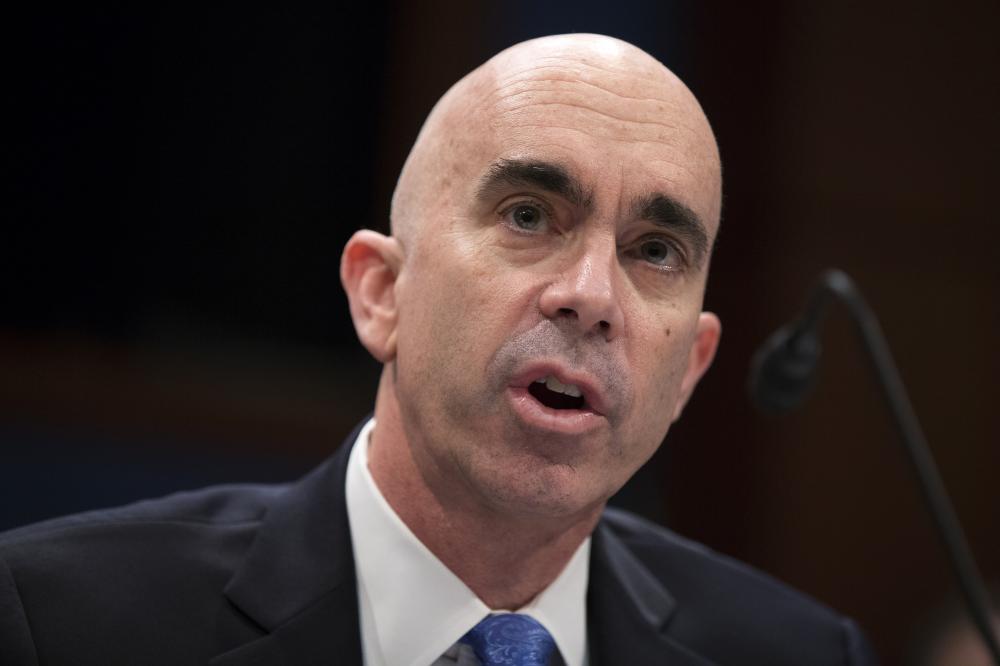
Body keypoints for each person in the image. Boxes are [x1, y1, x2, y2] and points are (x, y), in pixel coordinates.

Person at [0, 34, 877, 665]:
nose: (592, 296)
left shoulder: (799, 653)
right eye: (528, 215)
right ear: (380, 293)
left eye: (655, 251)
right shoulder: (58, 621)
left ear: (689, 370)